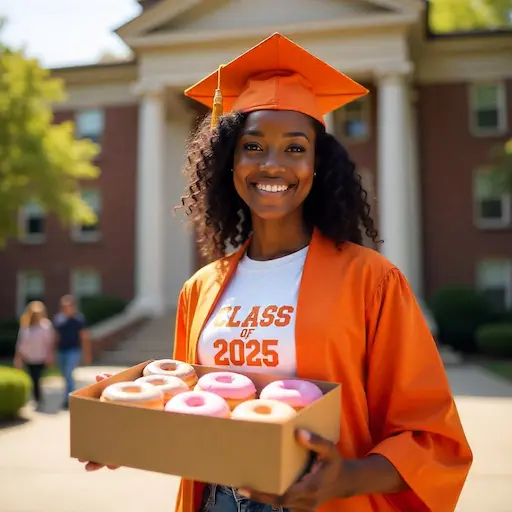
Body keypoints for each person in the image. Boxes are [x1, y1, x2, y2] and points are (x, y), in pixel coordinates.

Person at [81, 33, 473, 512]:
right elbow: (192, 409)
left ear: (316, 164)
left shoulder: (370, 281)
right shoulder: (200, 290)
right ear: (230, 161)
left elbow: (432, 436)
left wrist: (346, 477)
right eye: (253, 145)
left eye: (294, 148)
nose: (272, 164)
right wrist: (130, 420)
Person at [14, 301, 55, 410]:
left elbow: (49, 342)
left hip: (41, 356)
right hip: (28, 356)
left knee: (36, 378)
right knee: (32, 378)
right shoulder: (26, 325)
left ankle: (38, 399)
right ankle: (36, 397)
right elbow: (21, 343)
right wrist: (18, 357)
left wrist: (50, 356)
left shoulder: (46, 325)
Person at [53, 294, 92, 409]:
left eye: (69, 306)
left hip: (73, 350)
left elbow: (84, 337)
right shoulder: (59, 319)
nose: (67, 309)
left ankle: (68, 399)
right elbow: (55, 336)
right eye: (65, 306)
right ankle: (69, 394)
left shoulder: (79, 320)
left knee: (69, 372)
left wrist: (87, 354)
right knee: (64, 375)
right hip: (61, 351)